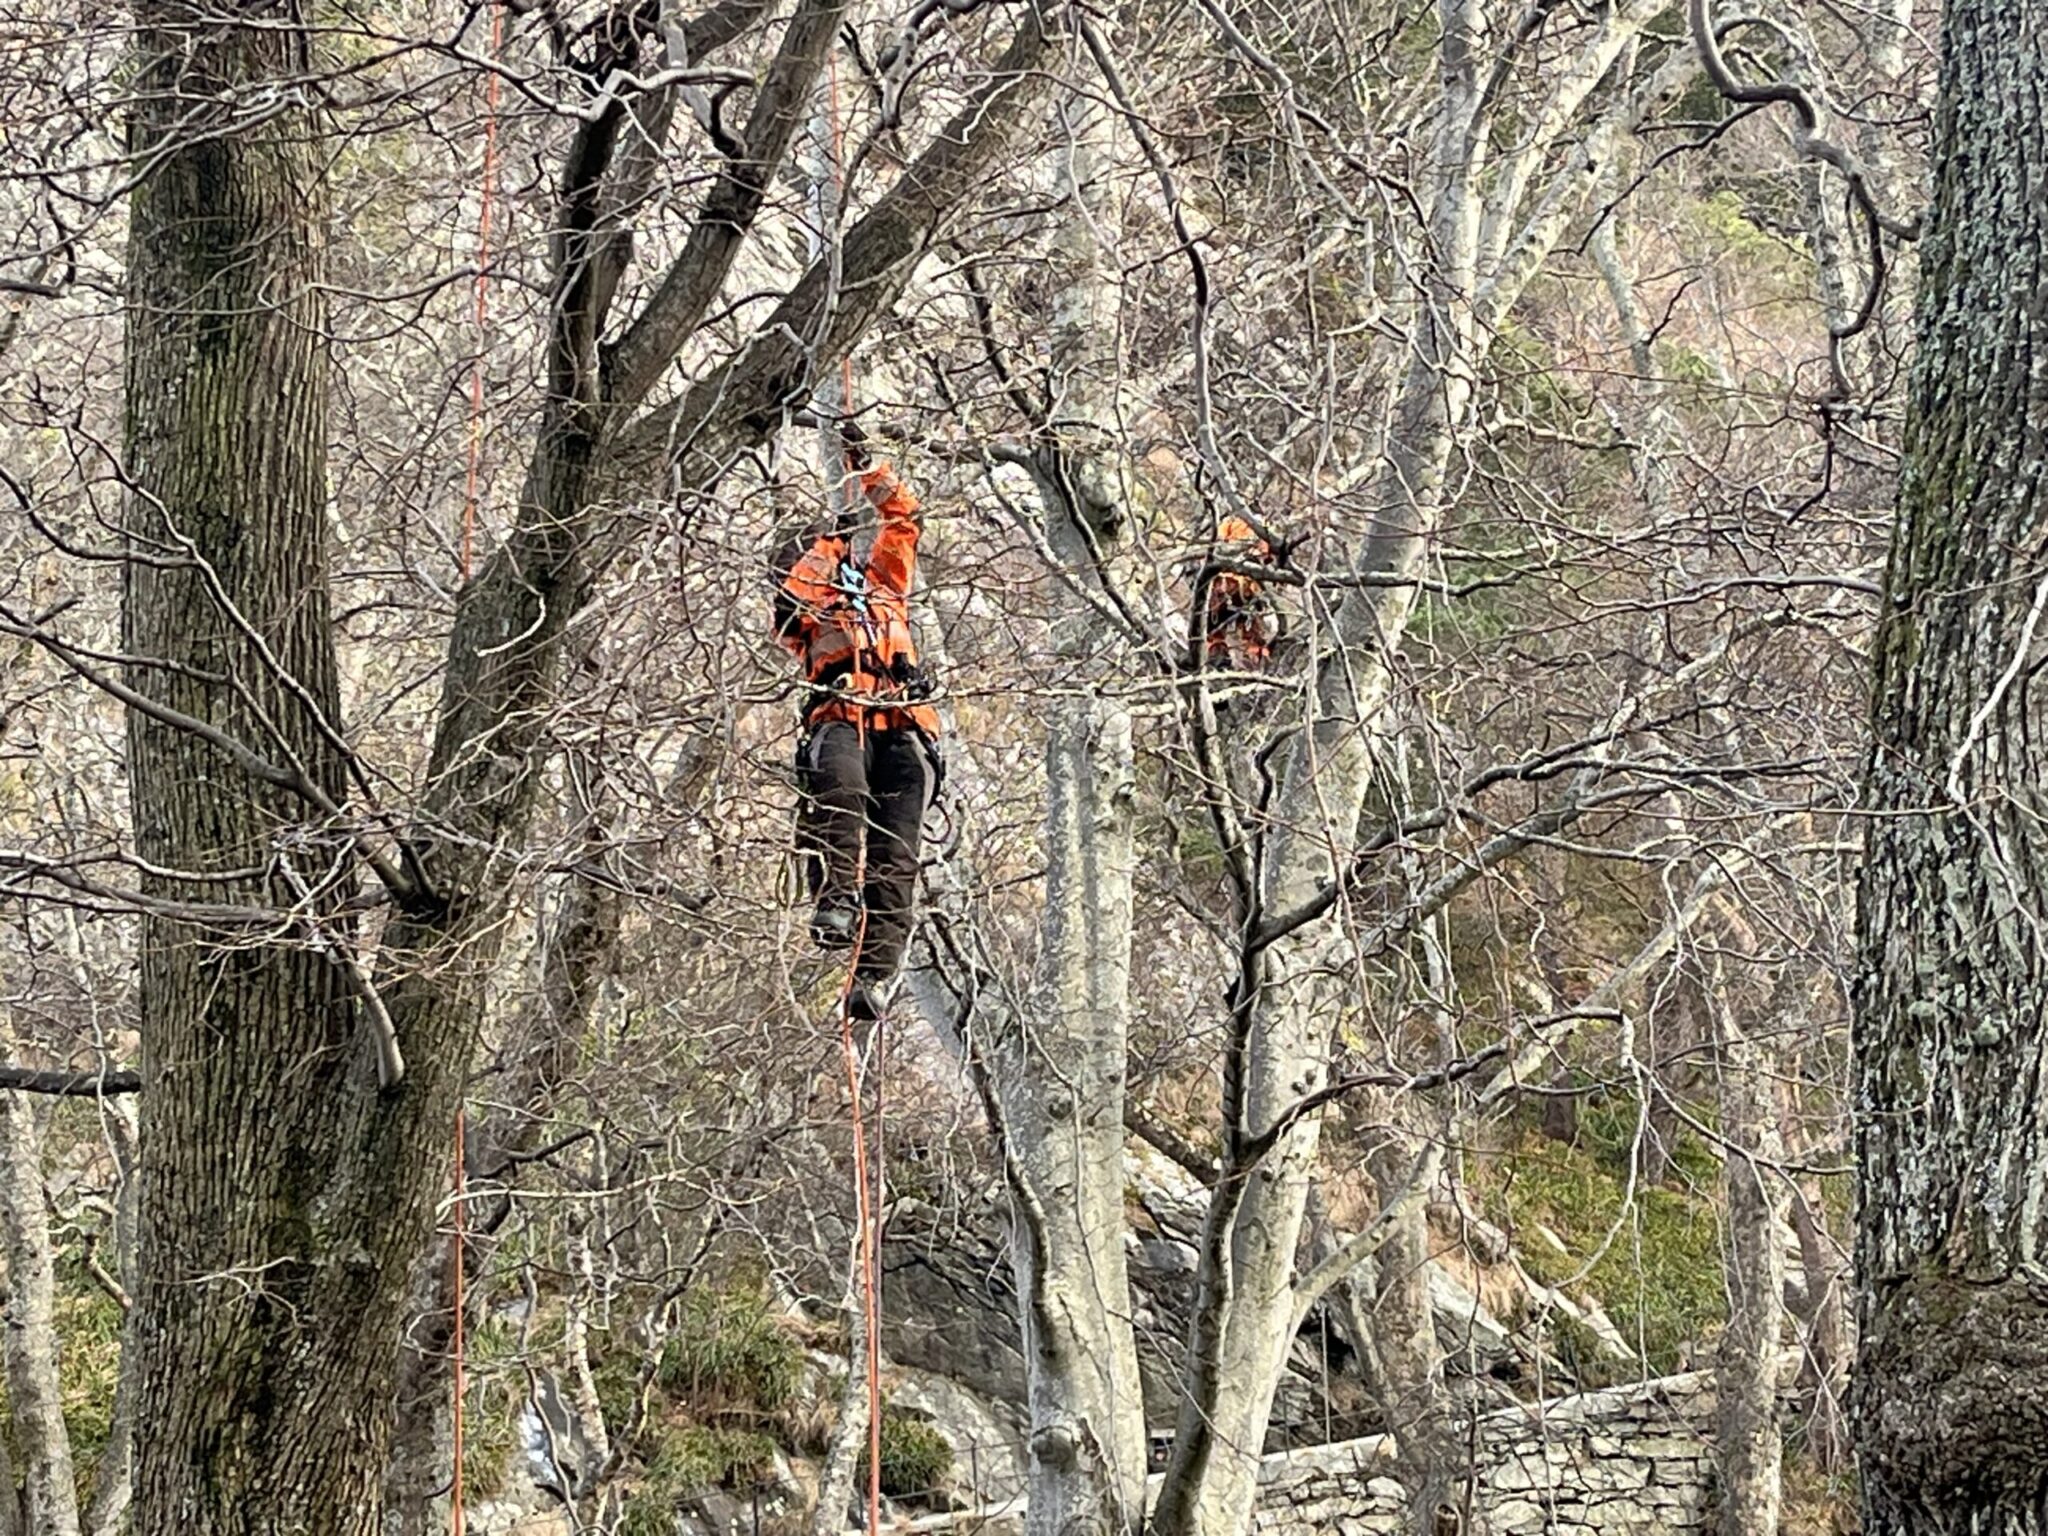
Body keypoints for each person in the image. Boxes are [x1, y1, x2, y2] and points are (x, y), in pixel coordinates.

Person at [770, 428, 942, 1022]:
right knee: (840, 793)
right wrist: (829, 543)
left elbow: (905, 520)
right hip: (840, 714)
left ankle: (875, 974)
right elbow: (793, 600)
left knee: (898, 851)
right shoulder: (806, 609)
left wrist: (869, 470)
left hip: (902, 721)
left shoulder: (884, 589)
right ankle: (837, 899)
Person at [1205, 513, 1278, 669]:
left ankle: (1230, 658)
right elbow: (1267, 557)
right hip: (1239, 587)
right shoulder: (1261, 525)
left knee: (1218, 629)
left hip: (1233, 587)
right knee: (1250, 630)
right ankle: (1228, 658)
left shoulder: (1230, 522)